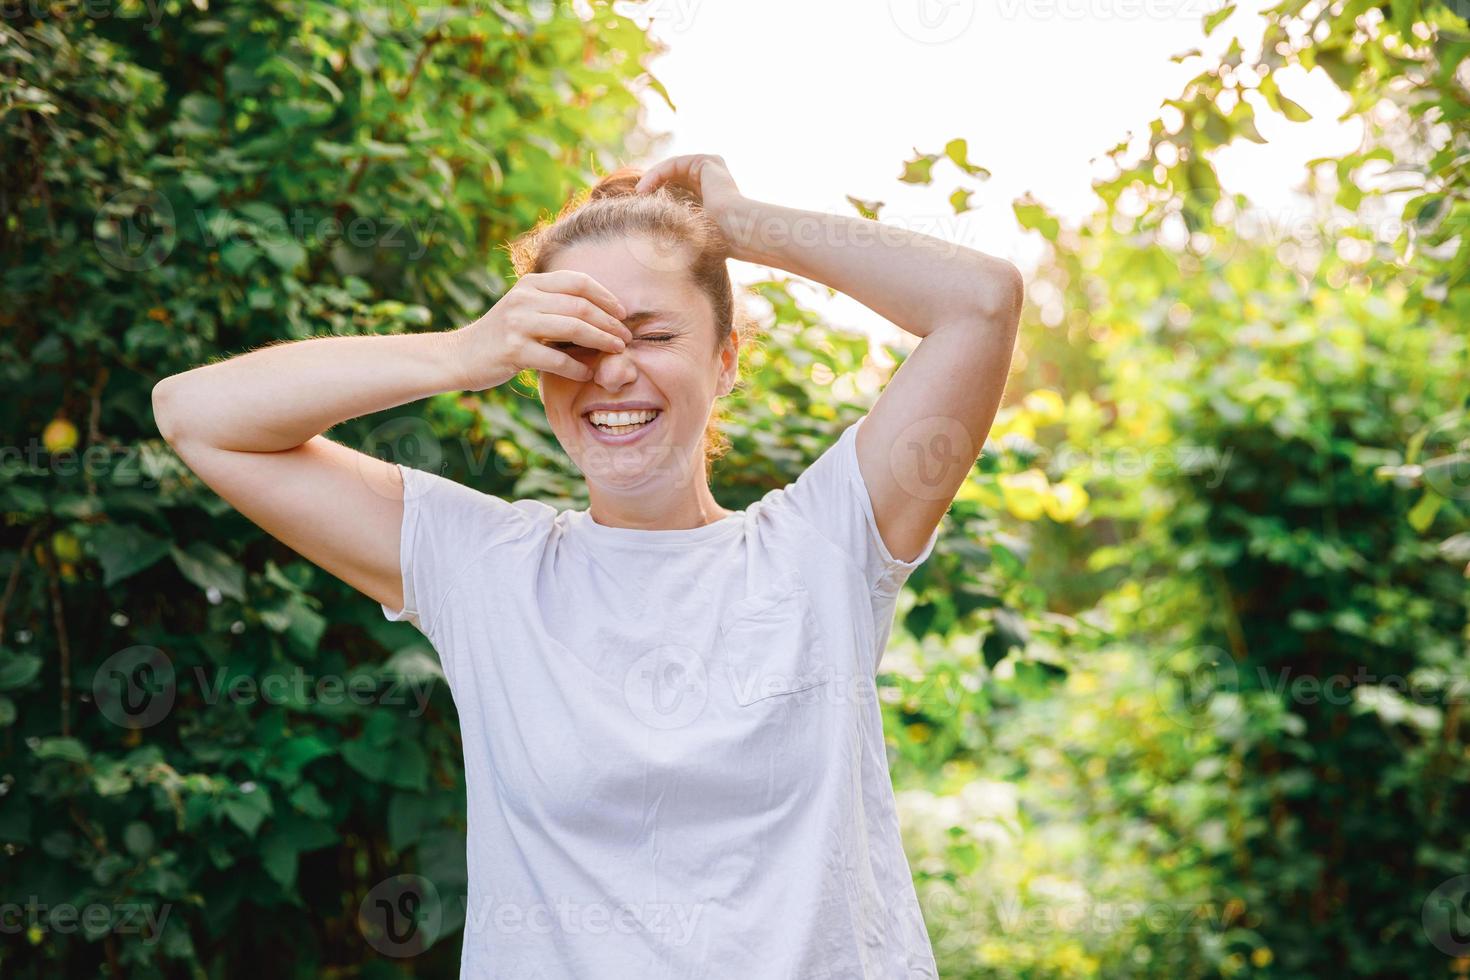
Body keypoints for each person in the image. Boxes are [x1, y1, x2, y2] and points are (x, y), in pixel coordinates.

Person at [152, 153, 1023, 979]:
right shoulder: (484, 569)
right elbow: (196, 415)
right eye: (574, 341)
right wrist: (462, 352)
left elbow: (982, 301)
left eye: (650, 334)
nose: (610, 372)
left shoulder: (825, 546)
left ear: (725, 363)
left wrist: (738, 223)